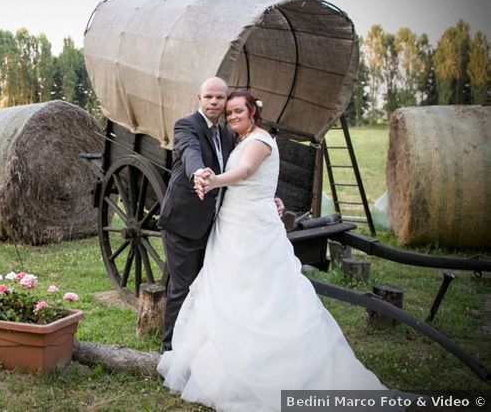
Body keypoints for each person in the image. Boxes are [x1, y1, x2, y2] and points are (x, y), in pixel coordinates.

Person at [158, 90, 385, 410]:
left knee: (258, 292)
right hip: (232, 224)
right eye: (230, 112)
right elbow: (245, 173)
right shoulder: (233, 137)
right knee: (229, 289)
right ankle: (224, 351)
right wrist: (270, 196)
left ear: (254, 113)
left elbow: (248, 172)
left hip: (251, 229)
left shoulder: (260, 140)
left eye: (239, 111)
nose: (233, 116)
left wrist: (214, 181)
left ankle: (262, 362)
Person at [157, 77, 283, 352]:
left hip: (218, 226)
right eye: (208, 97)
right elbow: (189, 152)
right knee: (183, 287)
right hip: (184, 222)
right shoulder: (186, 125)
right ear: (198, 98)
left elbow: (247, 171)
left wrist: (266, 195)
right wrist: (200, 173)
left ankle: (202, 345)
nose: (214, 102)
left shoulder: (228, 135)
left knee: (209, 287)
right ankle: (170, 351)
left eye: (220, 98)